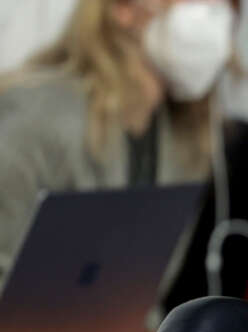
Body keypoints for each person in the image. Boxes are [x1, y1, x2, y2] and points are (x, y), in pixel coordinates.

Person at [0, 0, 236, 287]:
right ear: (124, 8)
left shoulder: (188, 140)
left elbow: (141, 302)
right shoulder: (33, 119)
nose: (214, 11)